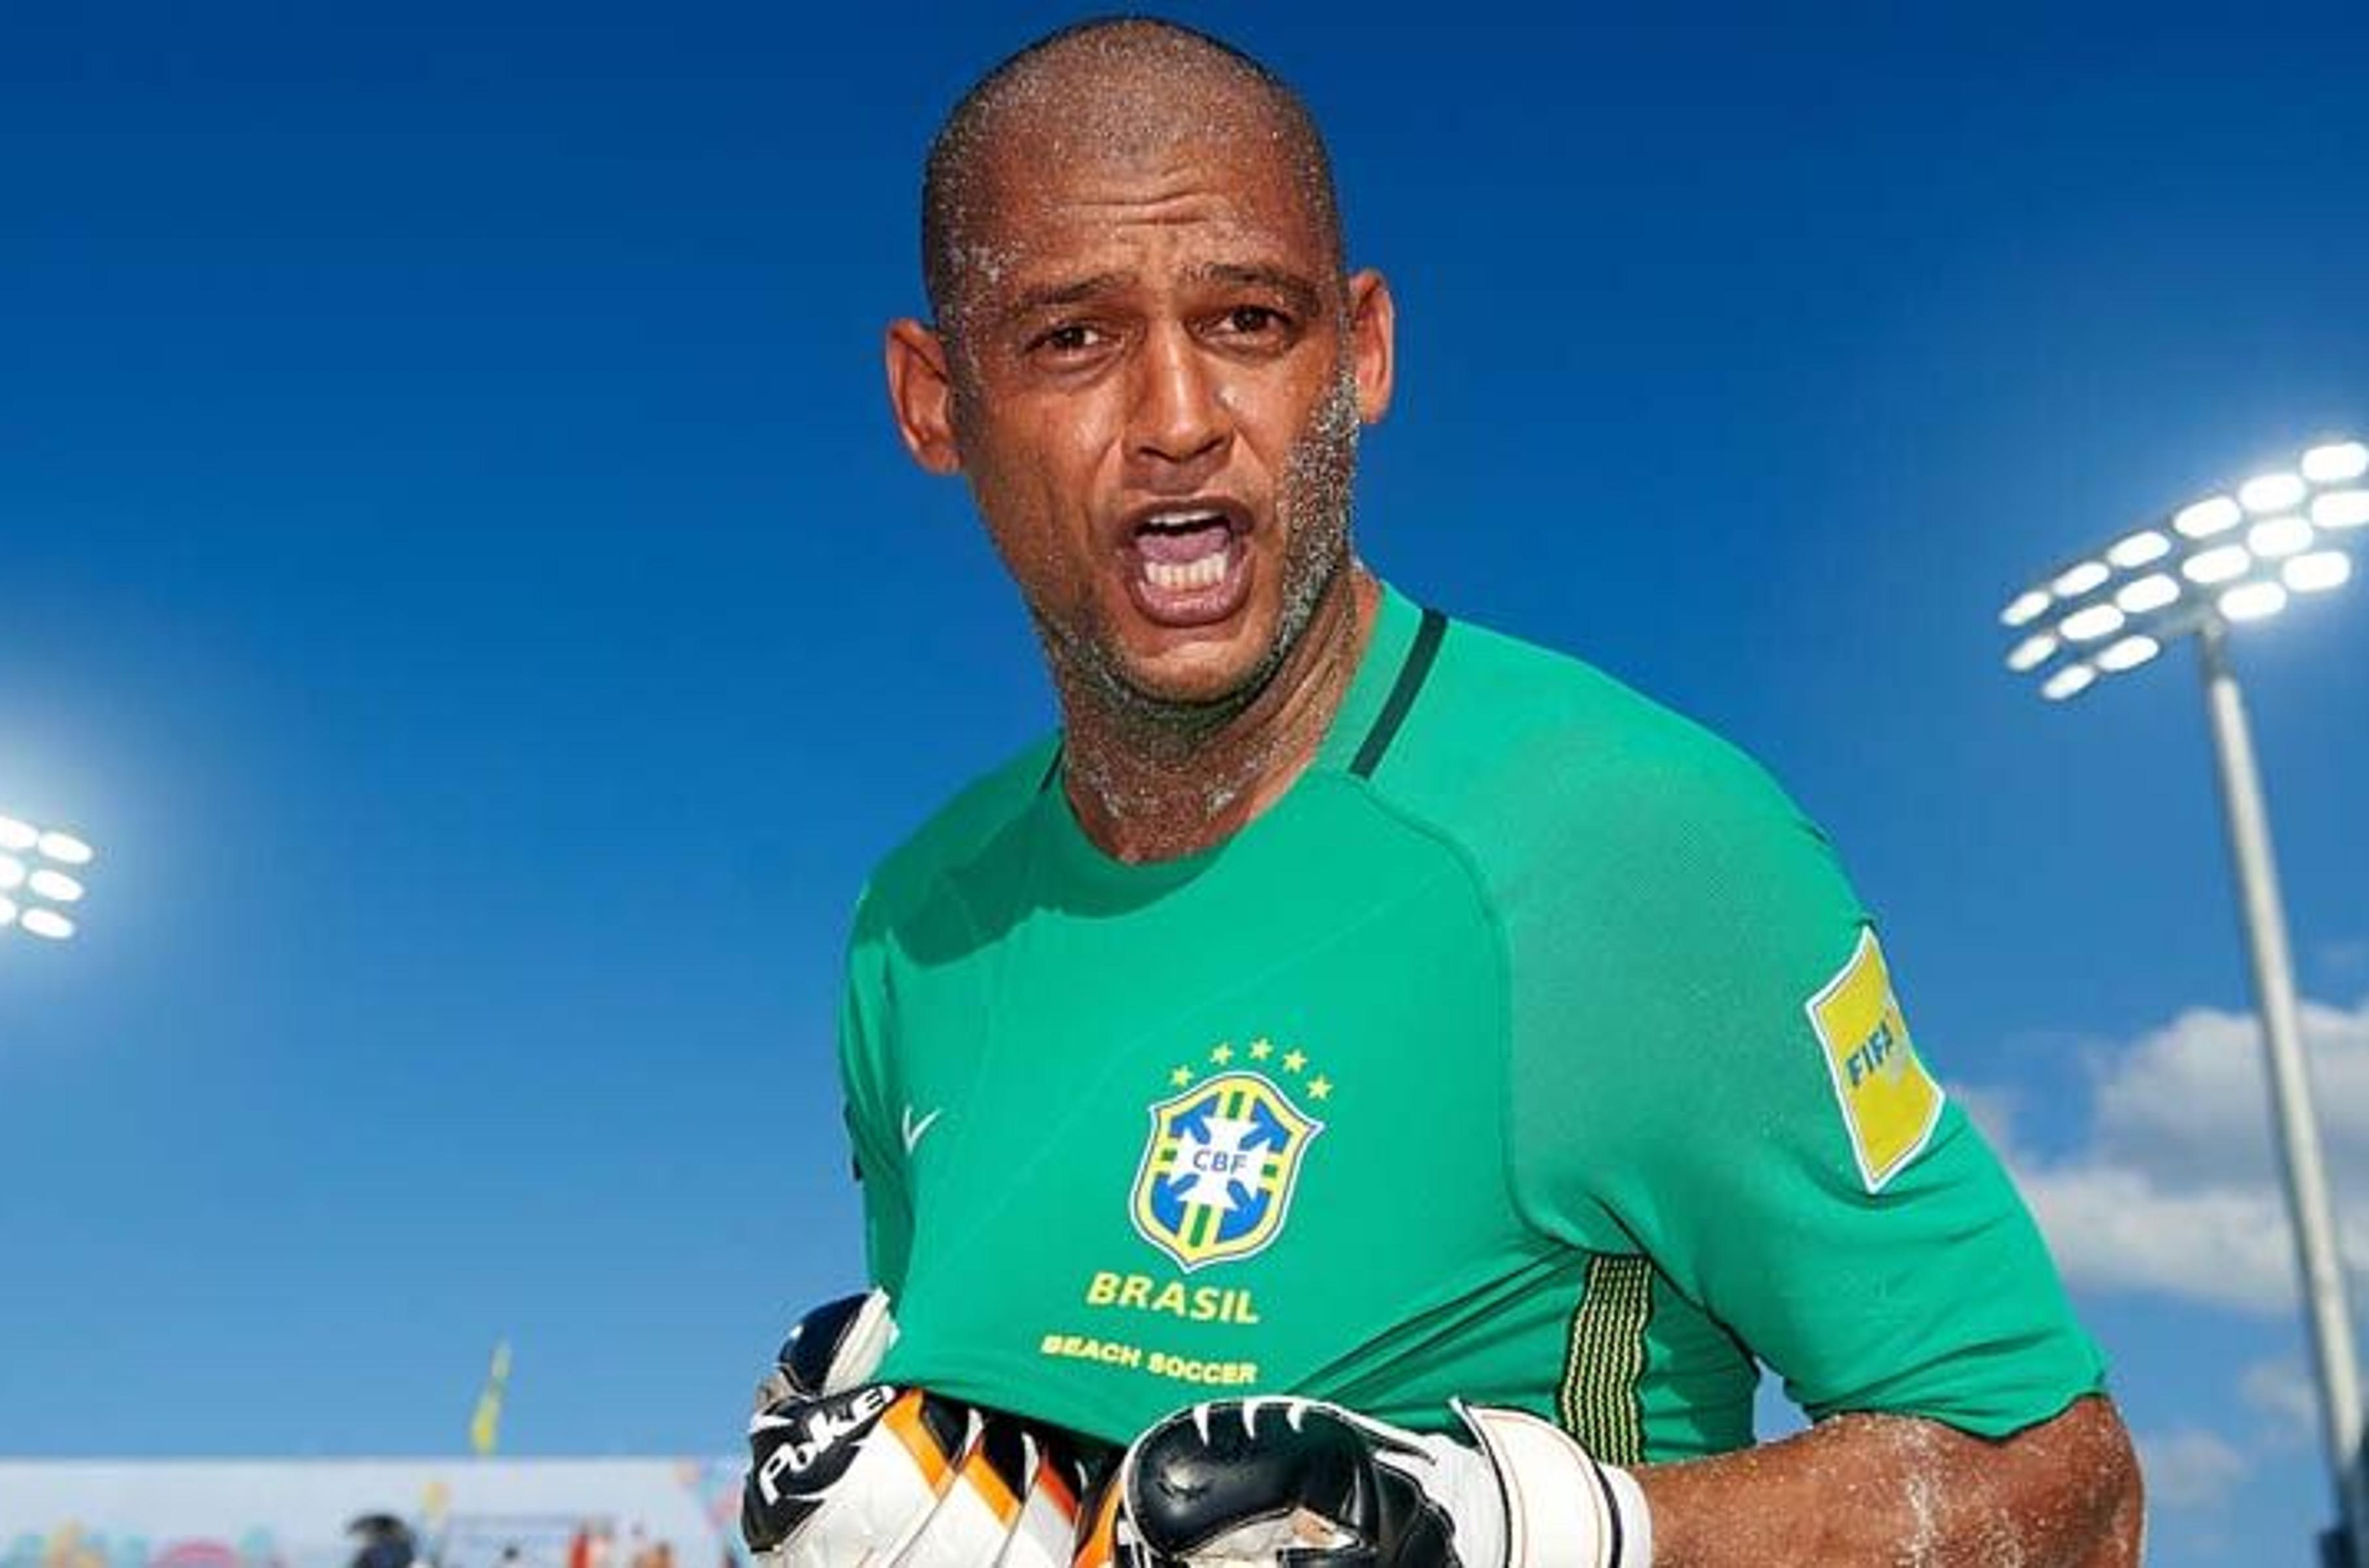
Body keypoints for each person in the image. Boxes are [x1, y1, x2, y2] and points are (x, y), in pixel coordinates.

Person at [756, 16, 2144, 1565]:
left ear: (1362, 353)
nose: (1176, 417)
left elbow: (2067, 1496)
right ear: (934, 401)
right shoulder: (914, 929)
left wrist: (1537, 1536)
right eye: (1072, 338)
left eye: (1249, 320)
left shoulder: (1636, 848)